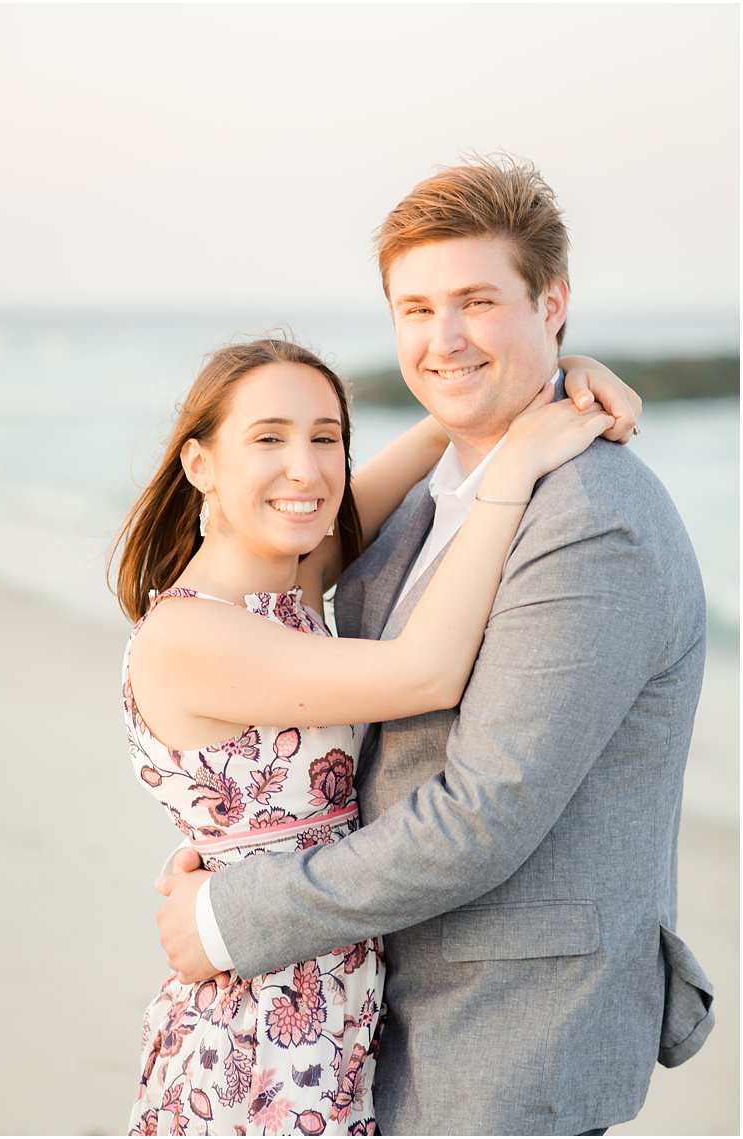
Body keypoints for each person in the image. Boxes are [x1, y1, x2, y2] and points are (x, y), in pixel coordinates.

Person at [155, 158, 714, 1134]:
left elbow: (481, 816)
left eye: (474, 302)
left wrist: (228, 916)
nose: (441, 337)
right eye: (413, 309)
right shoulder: (437, 493)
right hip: (366, 998)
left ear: (552, 301)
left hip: (500, 1035)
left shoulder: (591, 521)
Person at [115, 334, 637, 1134]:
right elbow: (426, 672)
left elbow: (441, 425)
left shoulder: (292, 572)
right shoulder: (191, 636)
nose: (307, 469)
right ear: (199, 465)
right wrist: (517, 470)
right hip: (258, 1033)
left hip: (329, 1000)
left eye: (326, 437)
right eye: (268, 437)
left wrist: (555, 378)